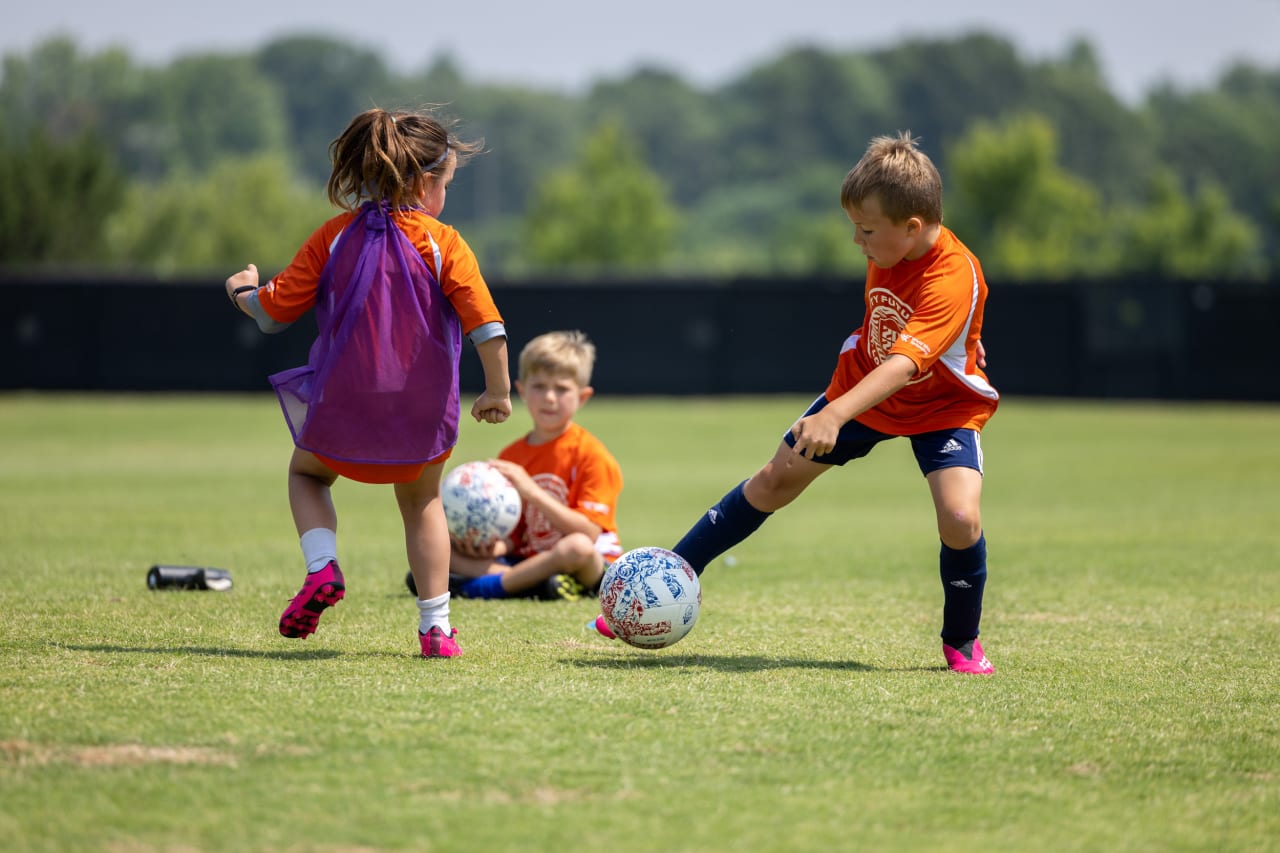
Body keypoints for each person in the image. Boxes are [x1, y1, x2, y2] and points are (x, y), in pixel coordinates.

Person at [592, 132, 1000, 675]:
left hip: (940, 407)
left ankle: (962, 640)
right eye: (854, 225)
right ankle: (659, 586)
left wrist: (833, 414)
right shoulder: (893, 242)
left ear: (913, 228)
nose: (856, 241)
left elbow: (905, 365)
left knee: (958, 517)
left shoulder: (952, 276)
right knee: (773, 481)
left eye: (866, 230)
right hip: (862, 386)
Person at [225, 107, 512, 658]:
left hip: (342, 404)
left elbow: (272, 312)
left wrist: (241, 291)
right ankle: (436, 630)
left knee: (307, 476)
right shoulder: (444, 242)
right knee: (423, 503)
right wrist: (497, 391)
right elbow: (487, 327)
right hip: (423, 412)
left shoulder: (333, 236)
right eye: (446, 184)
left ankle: (322, 567)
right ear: (427, 183)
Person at [446, 330, 624, 601]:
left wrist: (531, 491)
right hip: (533, 558)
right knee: (441, 545)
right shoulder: (513, 455)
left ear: (583, 397)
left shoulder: (591, 455)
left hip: (591, 561)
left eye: (562, 389)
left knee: (575, 547)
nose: (549, 397)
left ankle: (487, 587)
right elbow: (516, 535)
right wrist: (489, 546)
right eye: (539, 386)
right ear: (521, 390)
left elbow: (587, 533)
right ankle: (541, 585)